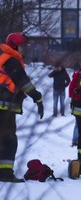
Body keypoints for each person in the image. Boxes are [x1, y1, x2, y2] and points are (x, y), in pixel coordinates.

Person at [0, 32, 44, 182]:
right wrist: (37, 96)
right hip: (4, 107)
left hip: (5, 106)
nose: (24, 49)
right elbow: (23, 82)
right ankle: (5, 174)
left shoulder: (5, 58)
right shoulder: (11, 60)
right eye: (23, 46)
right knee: (9, 140)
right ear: (15, 45)